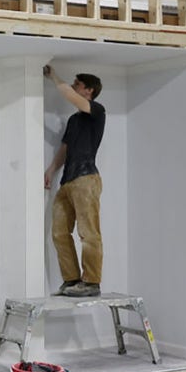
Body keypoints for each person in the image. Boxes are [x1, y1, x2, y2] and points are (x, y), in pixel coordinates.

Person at [43, 66, 105, 298]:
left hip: (86, 179)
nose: (73, 87)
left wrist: (54, 77)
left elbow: (69, 95)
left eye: (77, 84)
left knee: (88, 233)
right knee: (59, 232)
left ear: (89, 90)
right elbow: (65, 148)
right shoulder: (74, 120)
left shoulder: (97, 111)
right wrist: (51, 169)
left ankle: (92, 282)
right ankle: (71, 280)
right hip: (68, 181)